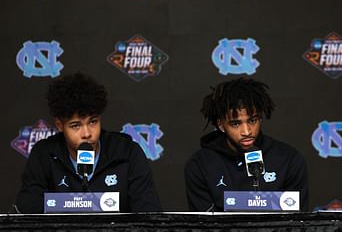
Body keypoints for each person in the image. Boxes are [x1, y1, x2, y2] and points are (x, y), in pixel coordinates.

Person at [16, 72, 162, 213]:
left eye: (93, 121)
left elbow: (149, 216)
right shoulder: (43, 155)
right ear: (60, 125)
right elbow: (28, 213)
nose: (87, 133)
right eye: (76, 126)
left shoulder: (128, 152)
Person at [185, 77, 309, 212]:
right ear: (221, 124)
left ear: (260, 118)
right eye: (236, 123)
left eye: (252, 120)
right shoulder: (200, 165)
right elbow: (204, 227)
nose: (246, 131)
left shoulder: (289, 160)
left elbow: (298, 224)